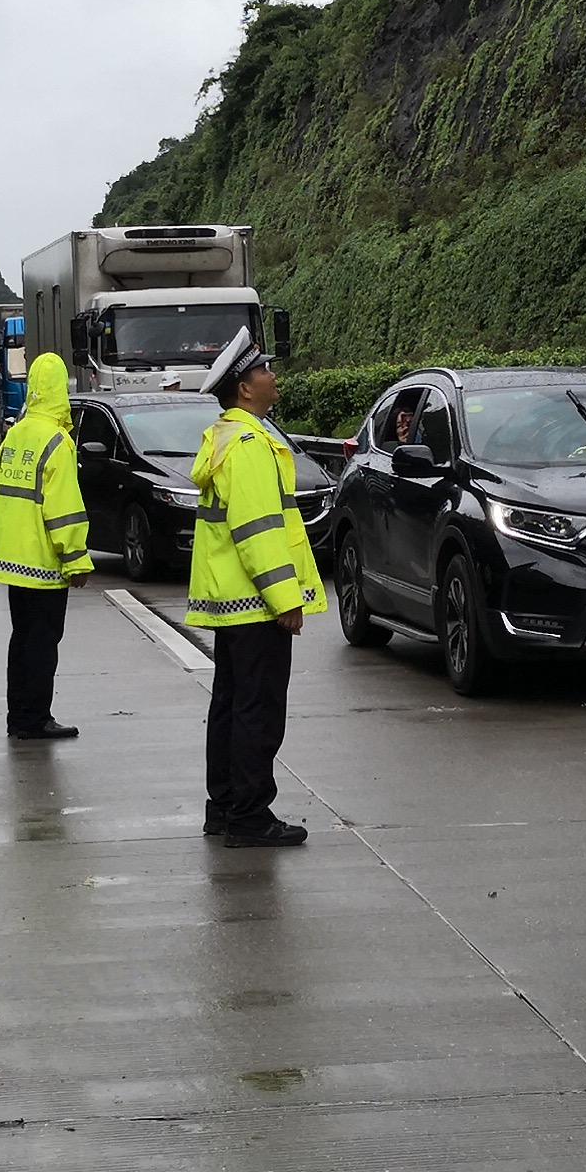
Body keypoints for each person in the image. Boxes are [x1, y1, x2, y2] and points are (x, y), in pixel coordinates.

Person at [185, 329, 324, 846]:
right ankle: (249, 816)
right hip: (257, 604)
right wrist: (285, 598)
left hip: (234, 602)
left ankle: (224, 807)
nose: (273, 376)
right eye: (264, 370)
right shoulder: (249, 446)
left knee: (231, 705)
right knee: (257, 712)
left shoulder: (228, 439)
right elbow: (258, 530)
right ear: (245, 388)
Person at [0, 351, 94, 740]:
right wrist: (77, 560)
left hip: (13, 560)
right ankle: (35, 719)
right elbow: (63, 509)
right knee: (43, 644)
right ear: (59, 392)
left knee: (23, 640)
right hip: (44, 564)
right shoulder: (57, 441)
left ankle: (20, 717)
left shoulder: (15, 434)